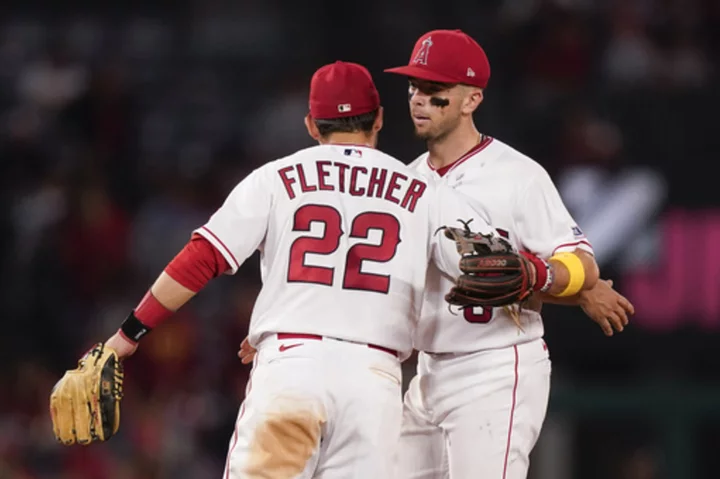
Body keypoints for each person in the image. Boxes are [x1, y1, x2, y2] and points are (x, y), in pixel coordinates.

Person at [68, 61, 519, 478]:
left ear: (310, 124)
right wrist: (556, 277)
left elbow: (202, 257)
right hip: (373, 382)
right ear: (379, 117)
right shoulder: (424, 189)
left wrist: (125, 338)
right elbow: (492, 265)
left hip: (291, 371)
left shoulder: (276, 176)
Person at [383, 29, 634, 478]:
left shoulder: (516, 175)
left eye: (434, 90)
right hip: (427, 374)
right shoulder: (406, 181)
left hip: (495, 368)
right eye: (414, 87)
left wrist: (551, 279)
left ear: (471, 100)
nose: (419, 99)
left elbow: (581, 263)